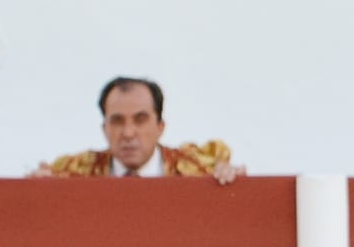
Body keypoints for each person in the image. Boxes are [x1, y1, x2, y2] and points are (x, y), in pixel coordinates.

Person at [32, 77, 243, 183]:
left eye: (140, 120)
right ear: (105, 129)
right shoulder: (74, 174)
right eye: (117, 121)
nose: (128, 132)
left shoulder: (198, 172)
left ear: (160, 127)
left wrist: (231, 183)